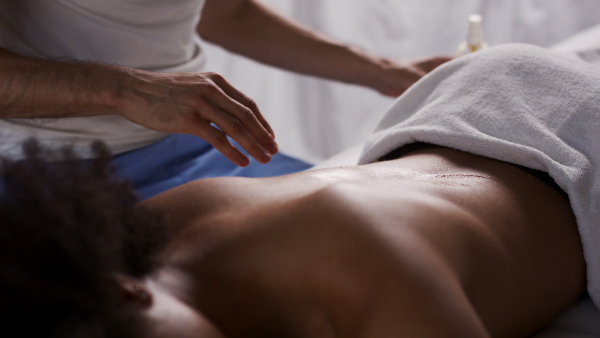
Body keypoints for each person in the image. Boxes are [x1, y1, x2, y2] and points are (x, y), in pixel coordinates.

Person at [1, 44, 595, 337]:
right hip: (476, 93)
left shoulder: (367, 276)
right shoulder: (155, 228)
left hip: (577, 147)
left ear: (128, 294)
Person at [0, 0, 449, 200]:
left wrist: (382, 71)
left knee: (352, 231)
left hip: (190, 146)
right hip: (44, 170)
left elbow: (225, 12)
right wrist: (126, 90)